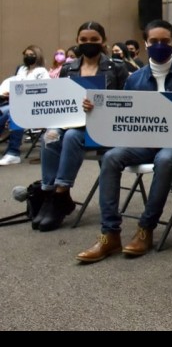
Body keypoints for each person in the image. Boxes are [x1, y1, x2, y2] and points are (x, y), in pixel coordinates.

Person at [76, 19, 172, 263]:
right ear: (145, 43)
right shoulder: (134, 79)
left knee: (164, 159)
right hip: (144, 140)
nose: (159, 45)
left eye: (165, 41)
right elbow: (123, 115)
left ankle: (146, 228)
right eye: (153, 41)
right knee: (111, 157)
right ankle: (109, 233)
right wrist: (94, 109)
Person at [35, 22, 129, 231]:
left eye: (94, 39)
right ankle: (50, 193)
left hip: (104, 126)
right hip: (71, 120)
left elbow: (127, 101)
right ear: (77, 41)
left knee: (72, 137)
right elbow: (61, 98)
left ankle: (61, 194)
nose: (89, 43)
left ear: (103, 41)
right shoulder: (68, 68)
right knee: (49, 136)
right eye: (84, 40)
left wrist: (100, 104)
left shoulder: (116, 68)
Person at [0, 45, 50, 166]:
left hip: (32, 106)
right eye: (26, 55)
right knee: (4, 111)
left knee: (12, 112)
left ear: (38, 56)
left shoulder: (42, 72)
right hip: (14, 102)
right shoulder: (21, 70)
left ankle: (13, 153)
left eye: (31, 55)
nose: (28, 57)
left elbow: (45, 91)